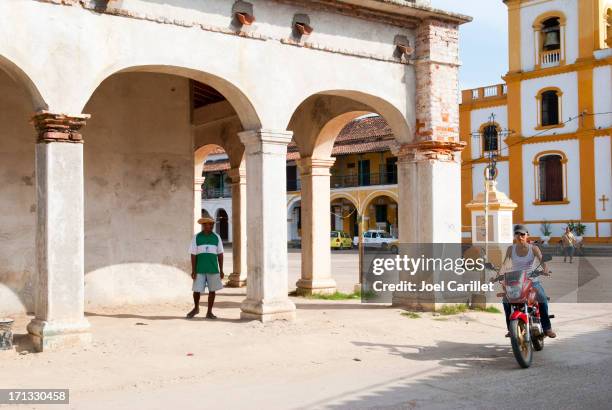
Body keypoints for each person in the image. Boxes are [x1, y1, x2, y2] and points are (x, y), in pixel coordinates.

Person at [500, 224, 556, 338]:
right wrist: (497, 274)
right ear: (514, 236)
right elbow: (504, 264)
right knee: (506, 301)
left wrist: (545, 269)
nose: (520, 236)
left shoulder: (534, 248)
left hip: (532, 280)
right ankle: (511, 329)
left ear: (527, 235)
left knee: (542, 298)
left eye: (522, 234)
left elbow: (542, 261)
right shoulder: (511, 249)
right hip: (516, 281)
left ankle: (547, 328)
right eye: (517, 234)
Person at [187, 216, 224, 319]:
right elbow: (193, 254)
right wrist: (193, 270)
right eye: (208, 224)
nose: (211, 226)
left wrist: (221, 270)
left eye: (212, 224)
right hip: (199, 269)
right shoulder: (197, 237)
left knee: (212, 291)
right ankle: (196, 308)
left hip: (213, 269)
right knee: (196, 290)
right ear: (203, 225)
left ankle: (209, 312)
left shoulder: (216, 237)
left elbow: (220, 254)